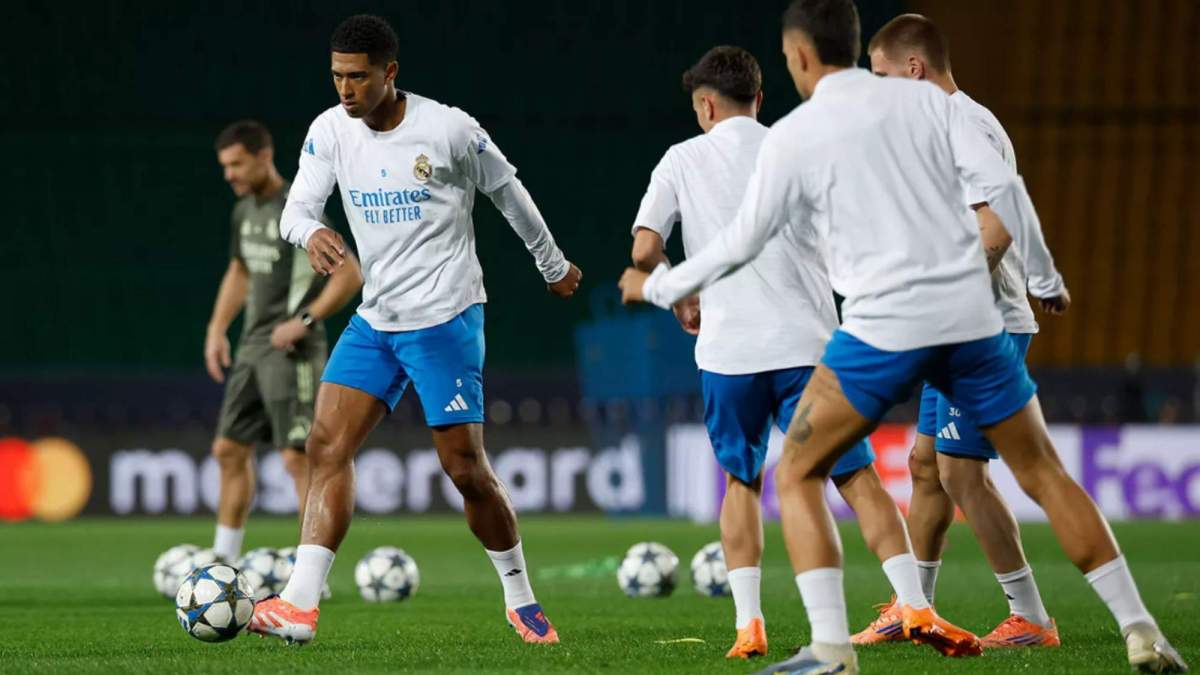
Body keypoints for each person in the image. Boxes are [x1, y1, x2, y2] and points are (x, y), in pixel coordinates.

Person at [618, 1, 1187, 673]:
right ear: (856, 45)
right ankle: (1142, 629)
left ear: (799, 57)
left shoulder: (799, 135)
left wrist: (657, 287)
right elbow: (1005, 187)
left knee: (799, 471)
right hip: (971, 318)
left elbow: (741, 242)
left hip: (884, 323)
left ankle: (831, 649)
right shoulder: (934, 106)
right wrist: (1047, 275)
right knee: (1041, 472)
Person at [630, 44, 978, 660]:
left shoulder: (680, 159)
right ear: (759, 99)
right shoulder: (802, 144)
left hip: (729, 353)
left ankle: (749, 626)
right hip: (810, 347)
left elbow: (644, 249)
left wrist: (681, 294)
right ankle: (916, 606)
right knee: (856, 476)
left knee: (741, 482)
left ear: (705, 105)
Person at [249, 15, 582, 646]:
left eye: (358, 77)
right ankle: (300, 604)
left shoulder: (448, 128)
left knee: (464, 470)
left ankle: (521, 598)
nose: (346, 89)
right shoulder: (329, 130)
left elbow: (509, 194)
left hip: (445, 321)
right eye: (337, 76)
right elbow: (297, 207)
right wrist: (311, 231)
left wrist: (552, 264)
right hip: (376, 320)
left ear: (389, 73)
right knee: (325, 446)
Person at [852, 13, 1059, 649]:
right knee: (923, 464)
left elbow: (995, 229)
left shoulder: (966, 125)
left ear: (914, 69)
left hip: (981, 325)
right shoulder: (944, 125)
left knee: (962, 472)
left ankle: (1030, 617)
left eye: (885, 77)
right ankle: (914, 607)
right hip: (959, 325)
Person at [206, 120, 362, 564]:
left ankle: (309, 572)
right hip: (253, 348)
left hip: (292, 351)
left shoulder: (296, 210)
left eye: (236, 164)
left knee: (298, 458)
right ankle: (223, 560)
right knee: (228, 449)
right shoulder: (244, 211)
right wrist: (217, 329)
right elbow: (240, 270)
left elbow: (350, 271)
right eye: (225, 166)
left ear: (264, 157)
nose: (229, 174)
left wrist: (306, 319)